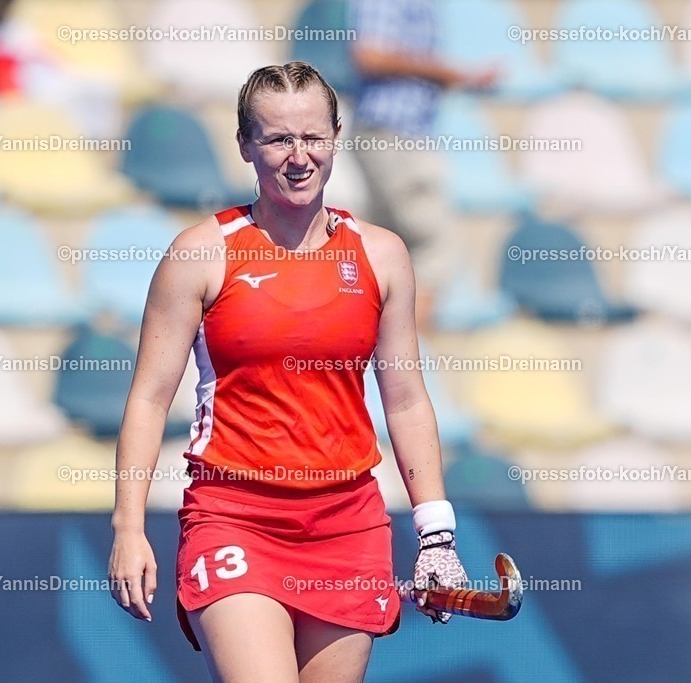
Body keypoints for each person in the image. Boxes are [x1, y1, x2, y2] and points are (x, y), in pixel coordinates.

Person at [108, 61, 468, 683]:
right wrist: (129, 526)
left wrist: (436, 534)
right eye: (277, 139)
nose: (298, 157)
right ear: (246, 145)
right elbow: (147, 398)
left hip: (346, 522)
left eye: (312, 138)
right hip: (233, 515)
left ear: (335, 138)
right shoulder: (200, 254)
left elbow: (405, 399)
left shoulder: (382, 256)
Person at [350, 0, 499, 329]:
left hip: (396, 136)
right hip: (391, 134)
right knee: (434, 248)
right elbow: (370, 54)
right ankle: (409, 361)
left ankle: (384, 364)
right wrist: (444, 72)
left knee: (386, 253)